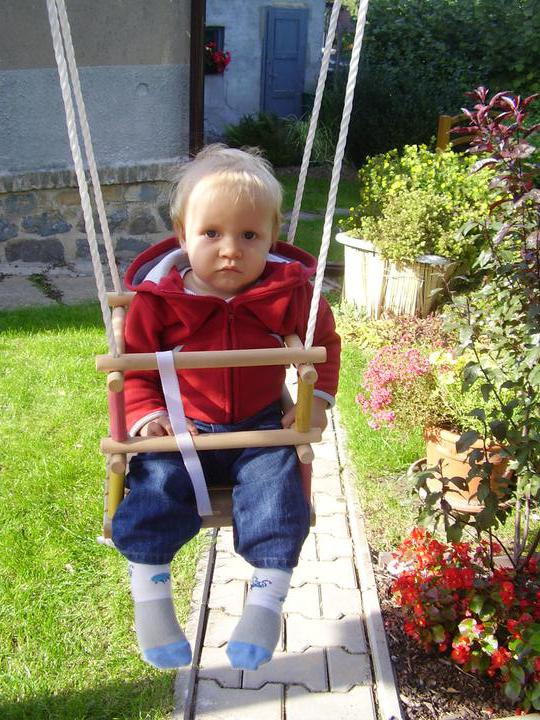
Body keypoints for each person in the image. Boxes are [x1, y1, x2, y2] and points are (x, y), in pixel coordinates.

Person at [112, 144, 340, 672]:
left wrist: (319, 402)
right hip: (181, 427)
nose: (230, 250)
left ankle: (264, 604)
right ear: (182, 233)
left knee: (278, 492)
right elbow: (136, 370)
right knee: (154, 488)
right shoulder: (158, 301)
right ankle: (152, 602)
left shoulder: (289, 294)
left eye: (249, 236)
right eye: (211, 233)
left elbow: (324, 344)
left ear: (273, 236)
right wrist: (148, 416)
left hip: (259, 427)